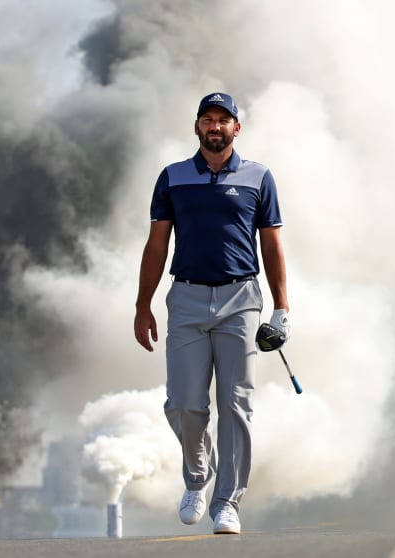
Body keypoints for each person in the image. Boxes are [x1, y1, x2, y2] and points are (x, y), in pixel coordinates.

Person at [133, 92, 291, 535]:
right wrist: (143, 304)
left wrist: (282, 308)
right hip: (186, 298)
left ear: (236, 128)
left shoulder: (259, 177)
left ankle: (227, 503)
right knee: (184, 404)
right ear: (197, 126)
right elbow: (157, 244)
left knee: (236, 403)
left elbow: (272, 244)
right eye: (208, 119)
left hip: (241, 299)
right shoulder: (173, 177)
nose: (215, 126)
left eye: (223, 120)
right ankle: (198, 476)